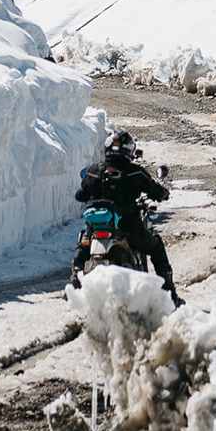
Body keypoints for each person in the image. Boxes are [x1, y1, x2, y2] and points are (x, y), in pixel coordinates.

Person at [75, 129, 179, 302]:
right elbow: (155, 190)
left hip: (97, 228)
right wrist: (163, 193)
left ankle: (75, 285)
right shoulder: (134, 172)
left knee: (83, 245)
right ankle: (170, 295)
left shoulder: (94, 171)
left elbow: (80, 195)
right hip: (129, 226)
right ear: (128, 151)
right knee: (156, 248)